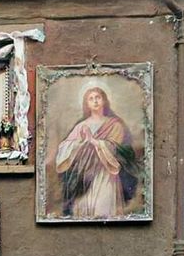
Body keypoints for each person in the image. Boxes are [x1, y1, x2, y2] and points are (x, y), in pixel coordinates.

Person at [55, 85, 139, 219]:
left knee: (103, 211)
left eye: (98, 98)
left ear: (104, 100)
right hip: (84, 177)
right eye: (91, 98)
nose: (95, 101)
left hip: (106, 174)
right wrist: (80, 143)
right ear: (86, 103)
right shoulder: (81, 126)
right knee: (83, 210)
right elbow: (64, 148)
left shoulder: (115, 125)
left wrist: (93, 141)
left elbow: (115, 149)